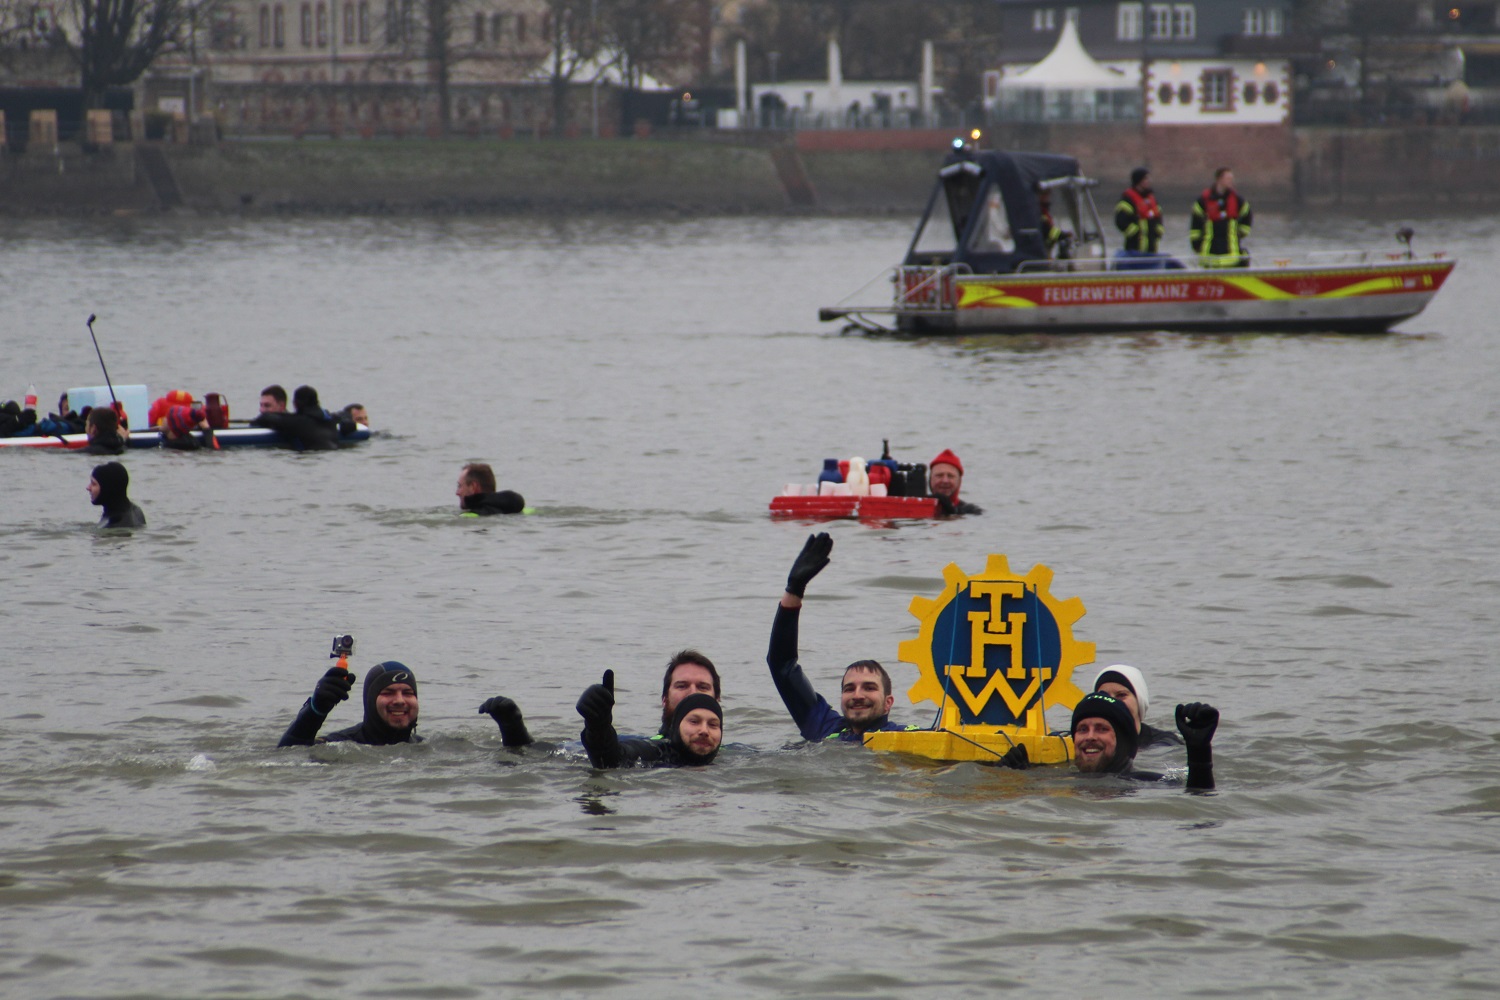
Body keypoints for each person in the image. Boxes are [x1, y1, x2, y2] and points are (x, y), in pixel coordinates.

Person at [768, 533, 920, 743]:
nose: (857, 695)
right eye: (849, 689)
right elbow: (781, 665)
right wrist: (794, 590)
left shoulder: (909, 736)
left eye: (869, 687)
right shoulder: (824, 728)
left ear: (888, 702)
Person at [1067, 691, 1217, 788]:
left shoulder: (1151, 783)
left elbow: (1197, 807)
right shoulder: (1061, 781)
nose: (1090, 736)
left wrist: (1199, 754)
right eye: (1082, 729)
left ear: (1123, 740)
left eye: (1102, 729)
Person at [576, 669, 723, 768]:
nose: (704, 730)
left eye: (713, 724)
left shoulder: (735, 756)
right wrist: (598, 726)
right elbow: (614, 759)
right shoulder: (657, 751)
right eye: (694, 721)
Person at [278, 661, 422, 746]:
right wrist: (315, 711)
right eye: (388, 693)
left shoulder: (425, 746)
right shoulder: (340, 745)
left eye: (408, 693)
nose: (399, 700)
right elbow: (288, 755)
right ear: (370, 701)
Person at [1092, 664, 1182, 749]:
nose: (1112, 702)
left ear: (1139, 701)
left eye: (1121, 695)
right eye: (1104, 696)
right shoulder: (1088, 743)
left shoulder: (1165, 743)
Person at [1190, 167, 1253, 268]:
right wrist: (1196, 245)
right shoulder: (1203, 200)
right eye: (1228, 178)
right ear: (1219, 179)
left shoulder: (1237, 200)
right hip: (1209, 253)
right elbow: (1195, 225)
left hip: (1231, 254)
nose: (1231, 181)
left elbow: (1247, 216)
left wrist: (1239, 234)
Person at [250, 384, 344, 450]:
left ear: (296, 404)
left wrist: (255, 422)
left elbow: (267, 418)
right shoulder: (330, 419)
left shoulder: (298, 423)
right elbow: (346, 420)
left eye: (267, 406)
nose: (262, 410)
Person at [1114, 167, 1171, 271]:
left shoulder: (1151, 200)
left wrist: (1158, 232)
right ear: (1138, 181)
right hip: (1135, 249)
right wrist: (1136, 233)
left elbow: (1158, 218)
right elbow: (1121, 221)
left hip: (1151, 248)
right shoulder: (1128, 200)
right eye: (1146, 179)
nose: (1149, 181)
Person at [88, 461, 145, 529]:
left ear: (107, 488)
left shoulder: (116, 526)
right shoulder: (135, 509)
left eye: (93, 484)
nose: (88, 487)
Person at [456, 462, 525, 516]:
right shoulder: (519, 510)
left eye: (459, 486)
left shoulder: (469, 518)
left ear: (473, 487)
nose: (457, 493)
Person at [928, 448, 982, 516]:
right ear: (930, 480)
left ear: (959, 481)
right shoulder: (918, 506)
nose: (945, 481)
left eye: (950, 476)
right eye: (939, 475)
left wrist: (952, 511)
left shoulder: (972, 512)